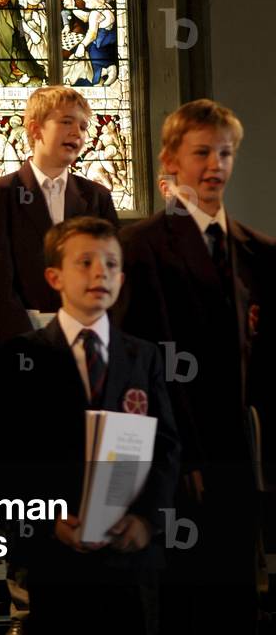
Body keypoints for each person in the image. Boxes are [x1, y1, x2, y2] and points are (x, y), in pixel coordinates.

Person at [113, 99, 276, 634]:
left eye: (224, 153)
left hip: (242, 456)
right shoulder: (140, 248)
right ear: (170, 162)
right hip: (175, 456)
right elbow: (134, 364)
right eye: (201, 152)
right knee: (183, 604)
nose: (215, 165)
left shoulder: (259, 252)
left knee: (238, 600)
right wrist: (173, 458)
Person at [0, 216, 180, 634]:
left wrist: (147, 520)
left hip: (130, 551)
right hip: (57, 554)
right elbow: (5, 454)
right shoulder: (22, 355)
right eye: (86, 262)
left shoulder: (143, 356)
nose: (101, 273)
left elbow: (166, 446)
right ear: (54, 276)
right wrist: (47, 521)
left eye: (112, 264)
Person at [0, 85, 118, 341]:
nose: (77, 132)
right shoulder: (1, 192)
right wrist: (26, 338)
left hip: (88, 336)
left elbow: (113, 269)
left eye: (84, 127)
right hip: (24, 337)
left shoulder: (98, 196)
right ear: (34, 128)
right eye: (66, 122)